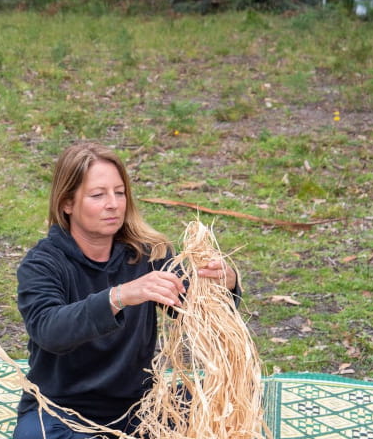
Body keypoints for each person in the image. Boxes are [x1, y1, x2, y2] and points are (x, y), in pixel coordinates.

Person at [13, 142, 240, 439]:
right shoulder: (42, 264)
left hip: (141, 409)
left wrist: (225, 284)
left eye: (119, 193)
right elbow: (49, 331)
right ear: (67, 202)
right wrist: (119, 296)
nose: (113, 204)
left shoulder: (147, 254)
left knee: (230, 402)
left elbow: (195, 311)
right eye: (98, 195)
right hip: (61, 411)